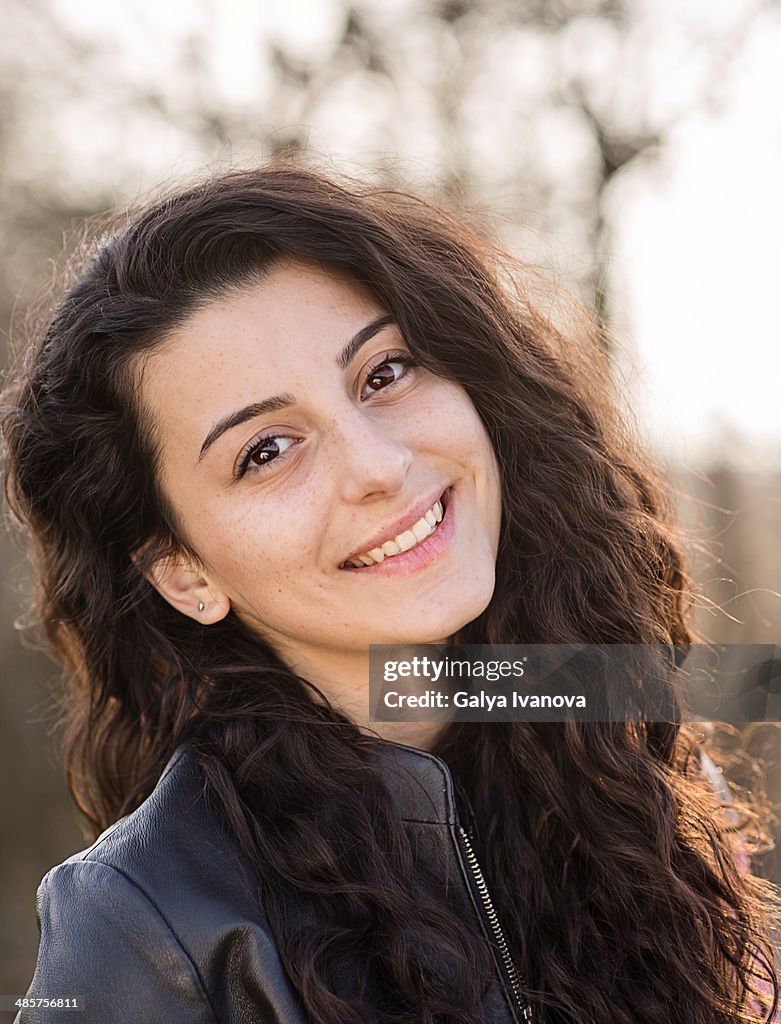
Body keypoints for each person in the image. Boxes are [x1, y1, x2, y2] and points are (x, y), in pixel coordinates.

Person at [2, 162, 779, 1024]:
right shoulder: (137, 926)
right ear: (185, 573)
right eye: (266, 450)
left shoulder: (637, 758)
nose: (379, 466)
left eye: (383, 373)